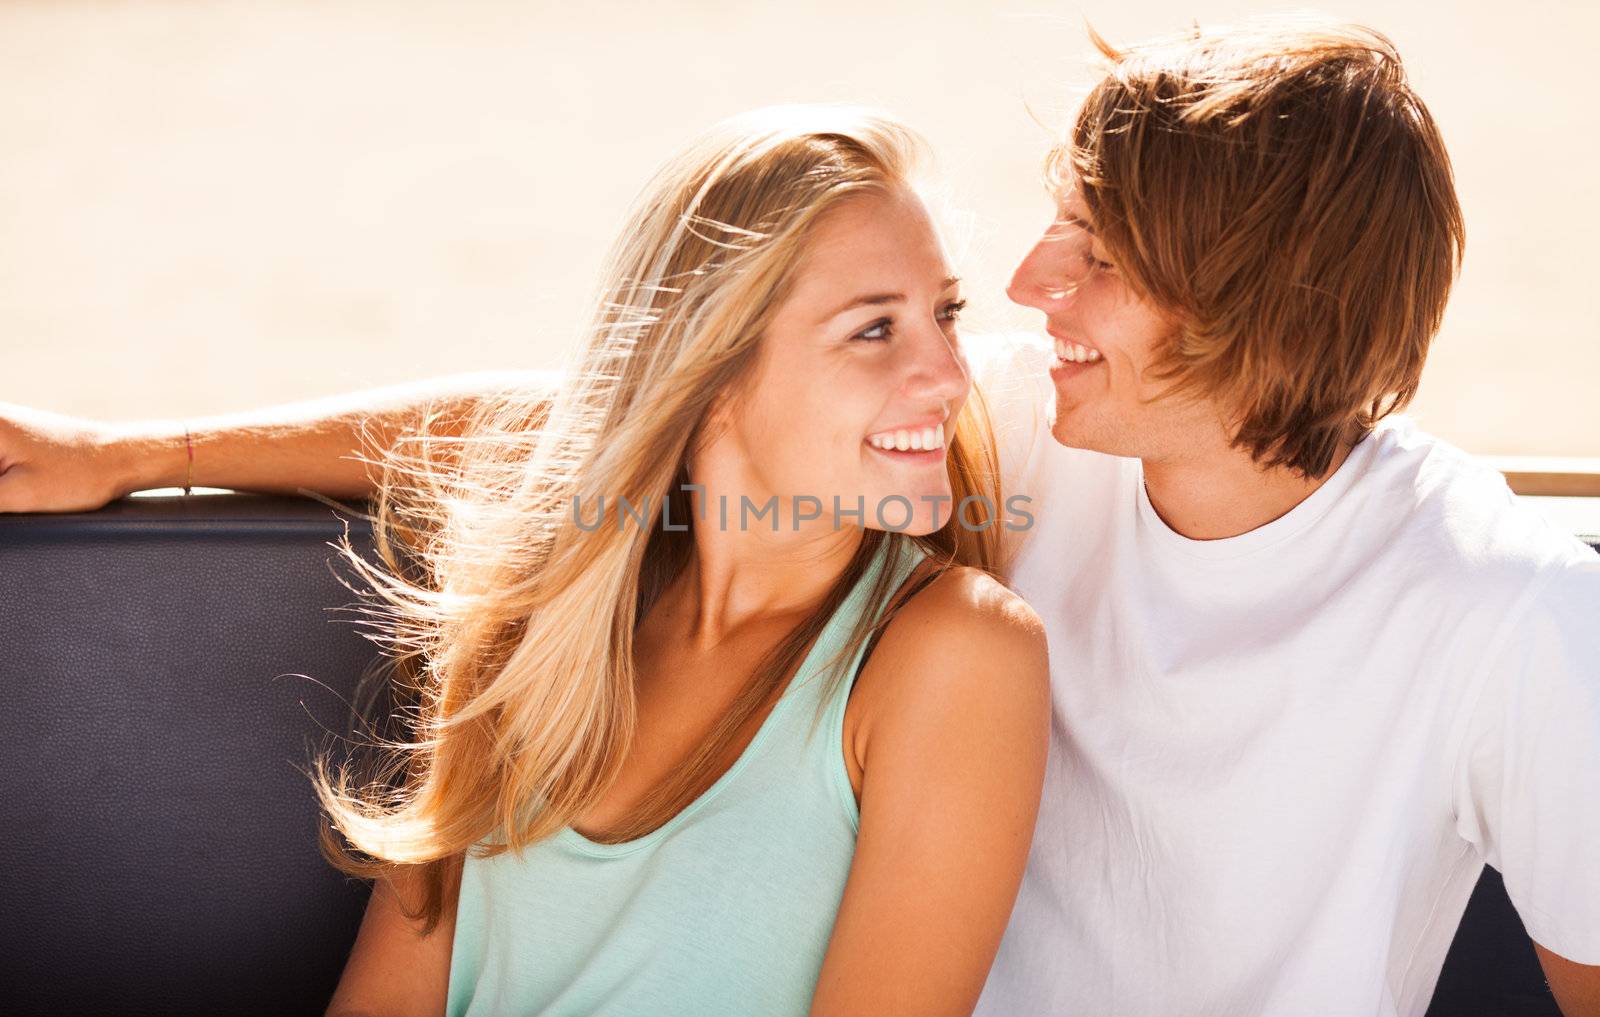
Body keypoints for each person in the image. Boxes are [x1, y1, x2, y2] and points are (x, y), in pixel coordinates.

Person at [3, 15, 1598, 1017]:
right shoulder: (1041, 427)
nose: (1034, 293)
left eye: (1096, 257)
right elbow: (611, 417)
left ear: (1267, 313)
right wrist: (144, 447)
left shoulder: (1506, 611)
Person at [3, 107, 1054, 1017]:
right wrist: (135, 455)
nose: (950, 374)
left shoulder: (952, 654)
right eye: (876, 329)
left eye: (945, 314)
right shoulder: (545, 633)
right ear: (710, 376)